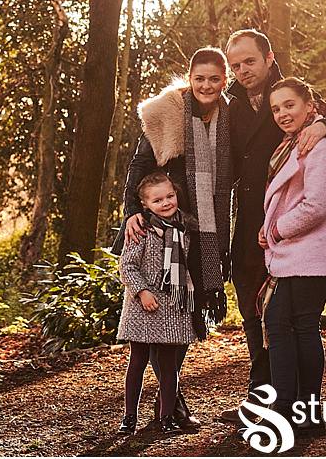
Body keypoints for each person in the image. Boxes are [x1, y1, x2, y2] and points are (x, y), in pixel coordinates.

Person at [221, 29, 326, 421]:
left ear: (268, 58)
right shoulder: (228, 103)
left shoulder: (294, 95)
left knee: (286, 319)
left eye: (249, 61)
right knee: (255, 313)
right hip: (251, 219)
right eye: (235, 65)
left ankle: (290, 404)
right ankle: (262, 395)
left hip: (288, 227)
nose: (242, 70)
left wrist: (325, 127)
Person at [115, 46, 233, 430]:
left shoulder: (231, 115)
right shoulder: (167, 113)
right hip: (163, 228)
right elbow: (140, 165)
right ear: (190, 77)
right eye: (199, 78)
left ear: (224, 80)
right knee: (161, 318)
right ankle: (172, 403)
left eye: (214, 78)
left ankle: (169, 397)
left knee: (185, 318)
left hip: (203, 231)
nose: (206, 85)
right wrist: (133, 211)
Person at [259, 77, 326, 428]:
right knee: (290, 323)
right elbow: (289, 199)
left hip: (312, 250)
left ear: (309, 106)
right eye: (276, 109)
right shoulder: (293, 145)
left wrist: (276, 230)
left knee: (290, 323)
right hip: (298, 250)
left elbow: (315, 206)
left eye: (289, 105)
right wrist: (268, 228)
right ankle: (302, 412)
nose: (282, 113)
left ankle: (292, 409)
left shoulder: (321, 147)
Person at [116, 171, 216, 434]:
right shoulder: (141, 229)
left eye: (170, 196)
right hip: (142, 305)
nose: (166, 203)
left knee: (170, 365)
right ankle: (129, 418)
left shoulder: (187, 228)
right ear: (145, 205)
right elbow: (126, 266)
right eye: (157, 200)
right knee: (137, 361)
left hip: (174, 305)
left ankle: (167, 417)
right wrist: (141, 291)